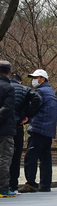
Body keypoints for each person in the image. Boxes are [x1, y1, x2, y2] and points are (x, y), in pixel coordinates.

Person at [18, 69, 57, 193]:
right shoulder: (50, 91)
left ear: (43, 79)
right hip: (48, 130)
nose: (33, 80)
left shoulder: (40, 91)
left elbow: (33, 106)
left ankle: (31, 184)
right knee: (45, 158)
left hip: (39, 128)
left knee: (31, 157)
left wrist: (25, 117)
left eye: (36, 78)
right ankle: (45, 184)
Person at [8, 72, 40, 193]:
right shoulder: (24, 89)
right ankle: (13, 184)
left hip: (4, 125)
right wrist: (27, 115)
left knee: (4, 156)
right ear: (20, 81)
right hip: (18, 126)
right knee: (15, 156)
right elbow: (37, 99)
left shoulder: (4, 87)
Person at [0, 61, 17, 197]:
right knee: (4, 158)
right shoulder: (9, 88)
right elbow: (8, 108)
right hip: (5, 129)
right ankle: (3, 188)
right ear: (9, 72)